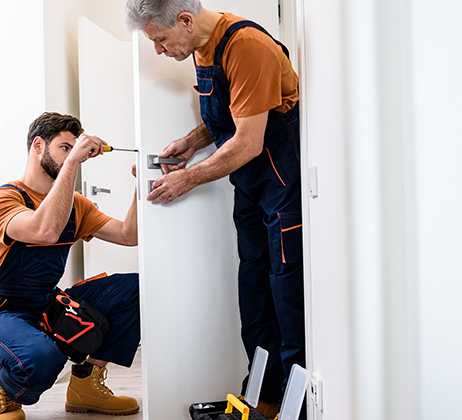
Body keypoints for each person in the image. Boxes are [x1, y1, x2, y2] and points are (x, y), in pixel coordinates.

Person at [124, 1, 303, 418]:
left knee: (287, 291)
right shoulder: (201, 46)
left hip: (280, 181)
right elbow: (233, 110)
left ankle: (297, 406)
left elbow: (248, 140)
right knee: (254, 290)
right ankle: (264, 395)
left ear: (185, 22)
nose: (158, 51)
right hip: (250, 184)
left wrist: (186, 178)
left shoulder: (247, 45)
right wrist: (192, 141)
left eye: (160, 40)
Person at [0, 112, 141, 419]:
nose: (73, 155)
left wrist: (141, 184)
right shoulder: (2, 198)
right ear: (38, 146)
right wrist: (73, 164)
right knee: (43, 359)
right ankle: (2, 385)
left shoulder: (76, 204)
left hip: (47, 299)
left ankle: (86, 387)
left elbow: (129, 235)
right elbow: (44, 231)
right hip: (6, 308)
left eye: (75, 148)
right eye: (65, 147)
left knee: (135, 289)